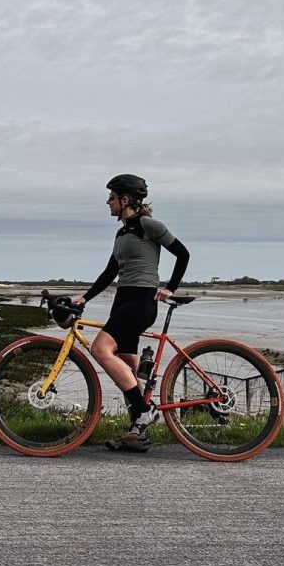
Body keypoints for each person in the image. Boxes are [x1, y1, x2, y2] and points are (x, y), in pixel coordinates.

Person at [71, 174, 190, 452]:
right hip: (123, 299)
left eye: (111, 197)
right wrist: (85, 297)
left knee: (100, 350)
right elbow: (110, 272)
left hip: (141, 300)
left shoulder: (149, 225)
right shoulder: (122, 232)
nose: (107, 202)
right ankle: (137, 433)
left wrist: (170, 288)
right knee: (127, 366)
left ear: (125, 200)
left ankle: (144, 410)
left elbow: (183, 254)